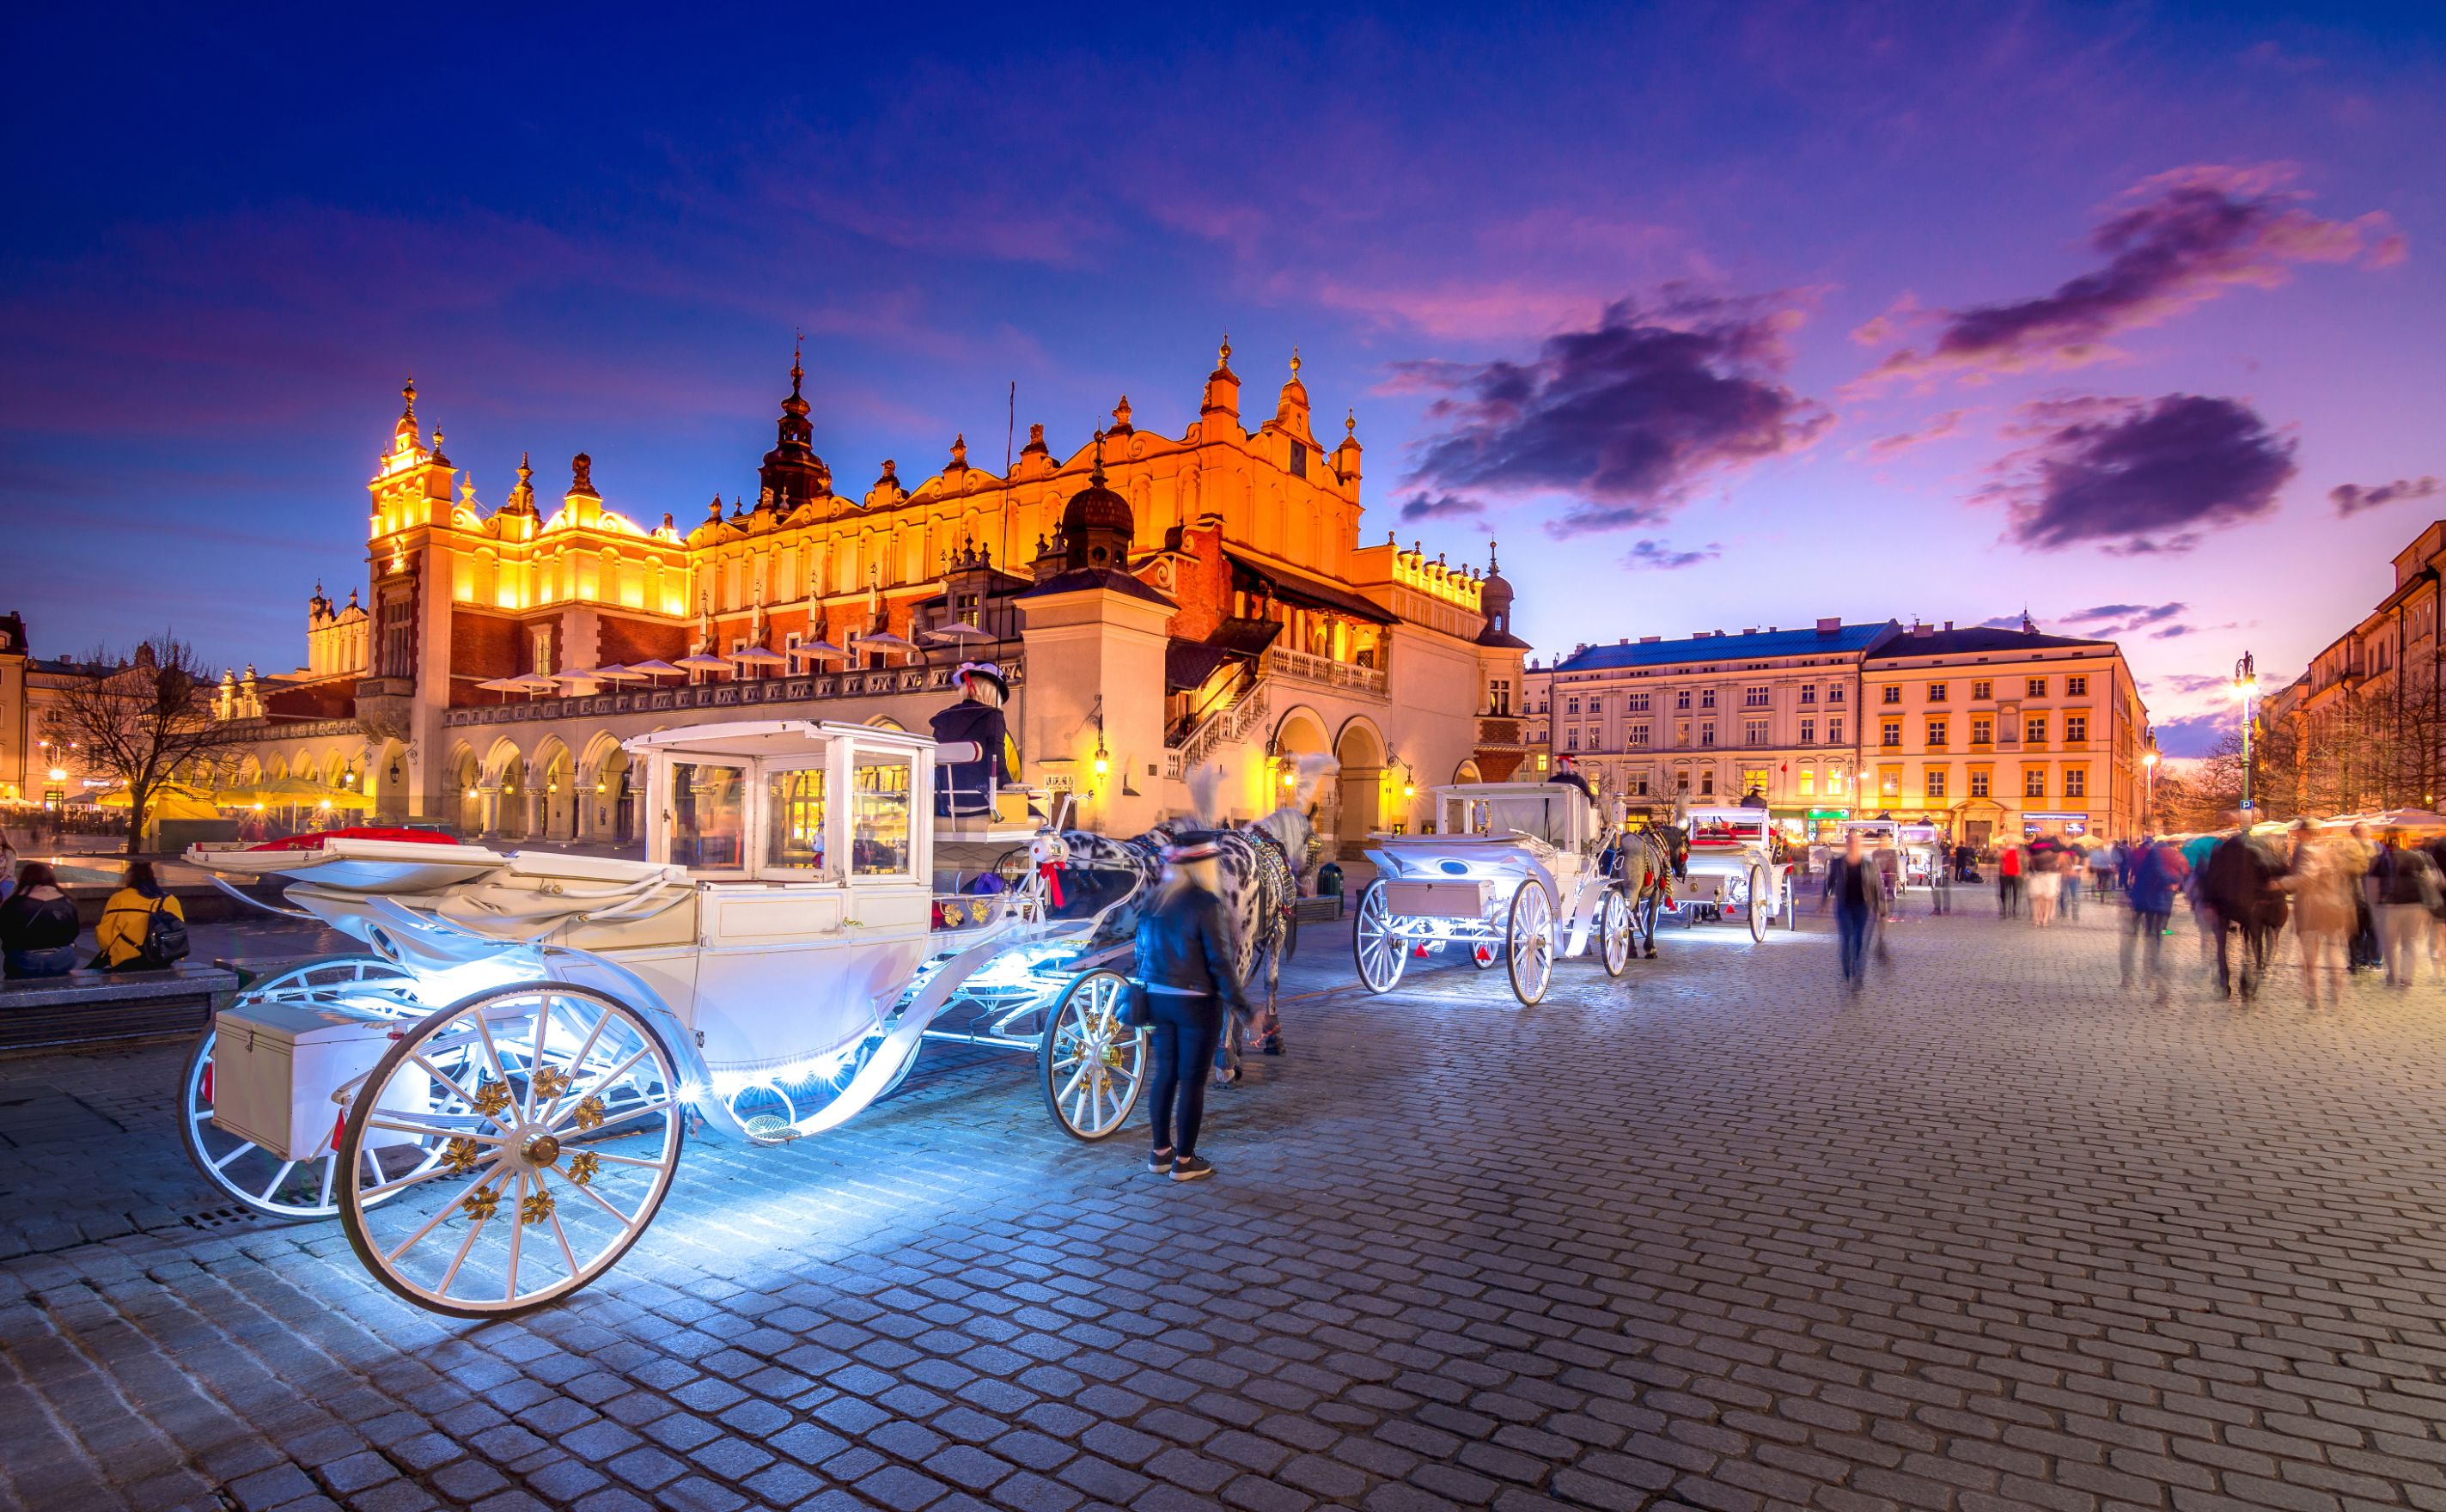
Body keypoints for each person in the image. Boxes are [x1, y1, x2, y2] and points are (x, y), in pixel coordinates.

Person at [1132, 832, 1250, 1181]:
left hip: (1157, 998)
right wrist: (1242, 1006)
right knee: (1192, 1082)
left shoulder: (1155, 900)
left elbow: (1141, 953)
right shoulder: (1206, 904)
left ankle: (1159, 1153)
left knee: (1165, 1074)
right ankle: (1184, 1161)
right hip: (1197, 1005)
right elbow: (1220, 962)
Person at [2201, 830, 2286, 1001]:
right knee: (2252, 944)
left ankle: (2224, 983)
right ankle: (2247, 984)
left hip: (2222, 905)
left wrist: (2208, 902)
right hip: (2247, 905)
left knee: (2221, 947)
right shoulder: (2254, 854)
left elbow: (2210, 879)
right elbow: (2272, 872)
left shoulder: (2219, 854)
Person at [929, 662, 1019, 818]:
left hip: (948, 806)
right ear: (992, 693)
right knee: (1041, 821)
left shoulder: (942, 718)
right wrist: (1014, 789)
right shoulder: (993, 717)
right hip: (983, 803)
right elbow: (997, 767)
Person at [2285, 820, 2358, 1012]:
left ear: (2303, 832)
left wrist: (2280, 883)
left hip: (2312, 908)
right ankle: (2337, 993)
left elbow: (2307, 878)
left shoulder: (2306, 851)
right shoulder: (2328, 851)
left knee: (2310, 955)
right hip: (2334, 906)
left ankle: (2313, 997)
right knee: (2334, 950)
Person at [2368, 831, 2441, 988]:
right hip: (2415, 904)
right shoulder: (2416, 857)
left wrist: (2373, 904)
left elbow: (2372, 884)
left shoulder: (2380, 859)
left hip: (2389, 906)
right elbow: (2430, 879)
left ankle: (2393, 975)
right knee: (2410, 942)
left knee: (2389, 943)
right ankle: (2407, 978)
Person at [2121, 836, 2187, 1002]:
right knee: (2158, 939)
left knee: (2150, 938)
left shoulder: (2150, 854)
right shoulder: (2168, 856)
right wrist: (2174, 882)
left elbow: (2137, 872)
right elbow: (2180, 872)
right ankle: (2155, 981)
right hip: (2159, 902)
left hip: (2148, 902)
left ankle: (2143, 976)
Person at [95, 861, 186, 972]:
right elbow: (179, 933)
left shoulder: (119, 898)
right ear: (152, 876)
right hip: (162, 959)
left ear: (129, 878)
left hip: (126, 961)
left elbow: (104, 939)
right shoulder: (169, 899)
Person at [1, 862, 81, 979]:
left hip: (25, 962)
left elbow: (5, 934)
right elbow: (74, 932)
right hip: (62, 960)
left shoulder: (14, 903)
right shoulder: (67, 901)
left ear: (24, 877)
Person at [1824, 831, 1880, 993]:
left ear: (1859, 844)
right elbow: (1830, 882)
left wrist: (1878, 907)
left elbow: (1875, 886)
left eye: (1856, 841)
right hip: (1844, 906)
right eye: (1851, 841)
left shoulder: (1868, 864)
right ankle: (1847, 971)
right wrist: (1824, 900)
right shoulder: (1838, 863)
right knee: (1846, 937)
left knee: (1859, 940)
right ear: (1847, 843)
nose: (1853, 844)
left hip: (1863, 906)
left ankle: (1857, 971)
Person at [2027, 842, 2059, 927]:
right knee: (2038, 899)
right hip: (2037, 875)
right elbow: (2031, 863)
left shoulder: (2053, 851)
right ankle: (2038, 918)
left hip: (2048, 875)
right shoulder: (2034, 849)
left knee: (2046, 899)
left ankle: (2044, 919)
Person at [1997, 841, 2022, 918]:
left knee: (2008, 893)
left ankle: (2008, 909)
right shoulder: (2015, 852)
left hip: (2007, 874)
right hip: (2012, 874)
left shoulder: (2006, 852)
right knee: (2013, 892)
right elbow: (2019, 863)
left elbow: (2001, 862)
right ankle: (2012, 909)